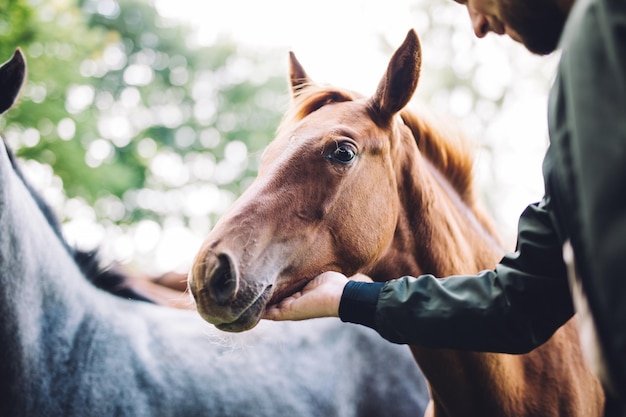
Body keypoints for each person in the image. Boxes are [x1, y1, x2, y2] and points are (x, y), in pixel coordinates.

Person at [262, 0, 626, 412]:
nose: (477, 25)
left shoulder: (602, 31)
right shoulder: (580, 73)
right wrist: (347, 298)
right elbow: (521, 302)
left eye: (469, 0)